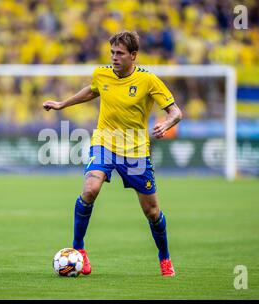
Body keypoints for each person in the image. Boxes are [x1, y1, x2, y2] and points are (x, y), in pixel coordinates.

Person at [43, 30, 182, 276]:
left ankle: (165, 258)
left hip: (136, 150)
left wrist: (166, 124)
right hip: (104, 143)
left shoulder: (148, 81)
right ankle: (79, 250)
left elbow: (175, 112)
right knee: (90, 189)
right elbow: (93, 90)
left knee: (152, 212)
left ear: (133, 55)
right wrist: (62, 104)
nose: (114, 57)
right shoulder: (102, 73)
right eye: (112, 53)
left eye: (120, 53)